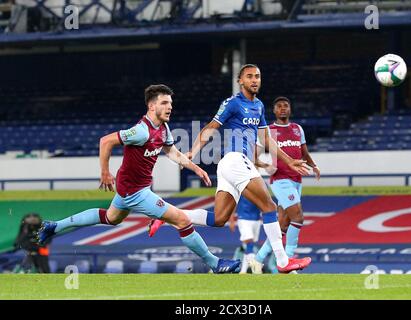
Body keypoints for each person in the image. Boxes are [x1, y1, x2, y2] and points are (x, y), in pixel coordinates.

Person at [36, 84, 241, 274]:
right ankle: (215, 263)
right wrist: (105, 172)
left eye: (170, 103)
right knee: (182, 220)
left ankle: (55, 226)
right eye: (164, 103)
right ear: (152, 106)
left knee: (111, 218)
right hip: (136, 192)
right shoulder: (141, 131)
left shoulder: (163, 129)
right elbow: (105, 141)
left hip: (129, 189)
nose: (170, 107)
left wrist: (196, 168)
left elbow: (172, 152)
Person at [149, 65, 312, 273]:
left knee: (219, 219)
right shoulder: (233, 103)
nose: (254, 80)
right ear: (240, 81)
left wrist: (289, 161)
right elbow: (211, 127)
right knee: (269, 207)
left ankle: (166, 216)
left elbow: (266, 139)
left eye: (258, 76)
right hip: (236, 160)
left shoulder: (259, 106)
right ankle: (283, 262)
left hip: (231, 165)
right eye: (250, 76)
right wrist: (192, 152)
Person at [249, 96, 321, 274]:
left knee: (282, 226)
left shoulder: (297, 129)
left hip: (297, 180)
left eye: (286, 106)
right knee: (298, 217)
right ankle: (288, 263)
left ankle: (257, 261)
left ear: (290, 109)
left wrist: (313, 165)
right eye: (279, 106)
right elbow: (253, 157)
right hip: (280, 181)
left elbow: (304, 151)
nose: (282, 108)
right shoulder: (269, 131)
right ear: (274, 111)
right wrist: (266, 166)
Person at [229, 195, 262, 274]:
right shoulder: (239, 185)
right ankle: (256, 268)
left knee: (249, 246)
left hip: (256, 219)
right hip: (243, 218)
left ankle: (243, 271)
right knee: (249, 243)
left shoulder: (259, 184)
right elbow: (233, 202)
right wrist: (231, 219)